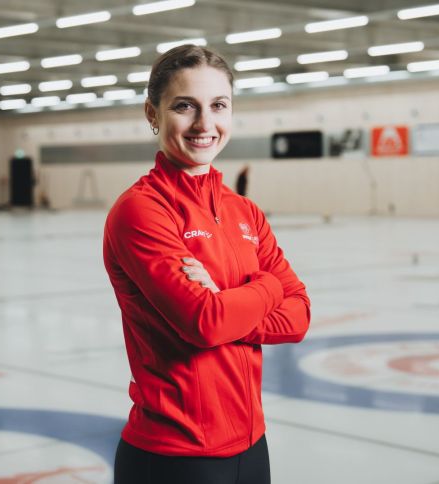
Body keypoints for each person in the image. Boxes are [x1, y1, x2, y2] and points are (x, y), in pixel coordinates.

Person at [103, 45, 310, 484]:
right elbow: (205, 322)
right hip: (175, 457)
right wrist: (267, 288)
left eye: (218, 106)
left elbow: (299, 316)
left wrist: (231, 302)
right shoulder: (142, 211)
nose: (205, 124)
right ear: (152, 114)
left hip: (253, 445)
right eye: (184, 106)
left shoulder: (244, 212)